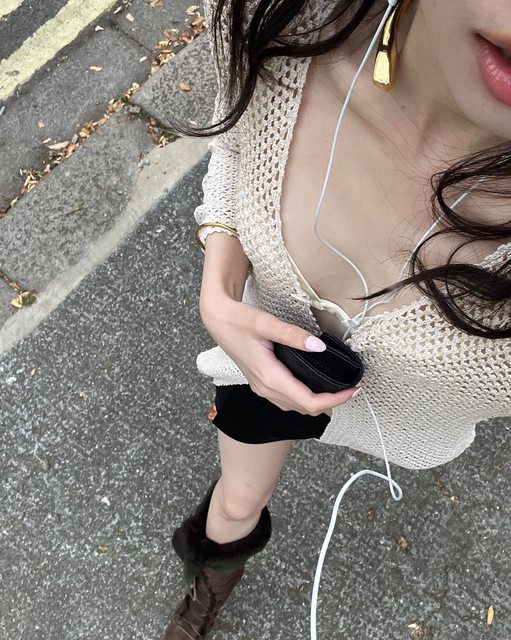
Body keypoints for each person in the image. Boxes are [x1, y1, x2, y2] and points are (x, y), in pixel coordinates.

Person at [162, 0, 511, 638]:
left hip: (399, 427)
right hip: (260, 366)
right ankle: (210, 586)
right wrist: (219, 289)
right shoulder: (285, 23)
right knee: (236, 502)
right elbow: (236, 145)